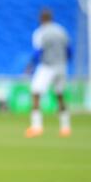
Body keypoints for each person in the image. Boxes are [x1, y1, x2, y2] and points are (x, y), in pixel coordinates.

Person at [25, 9, 71, 138]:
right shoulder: (61, 30)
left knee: (36, 94)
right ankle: (65, 127)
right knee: (60, 95)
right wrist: (64, 62)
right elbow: (68, 50)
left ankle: (36, 127)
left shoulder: (41, 32)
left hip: (47, 66)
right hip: (61, 65)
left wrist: (31, 65)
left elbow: (38, 51)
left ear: (41, 19)